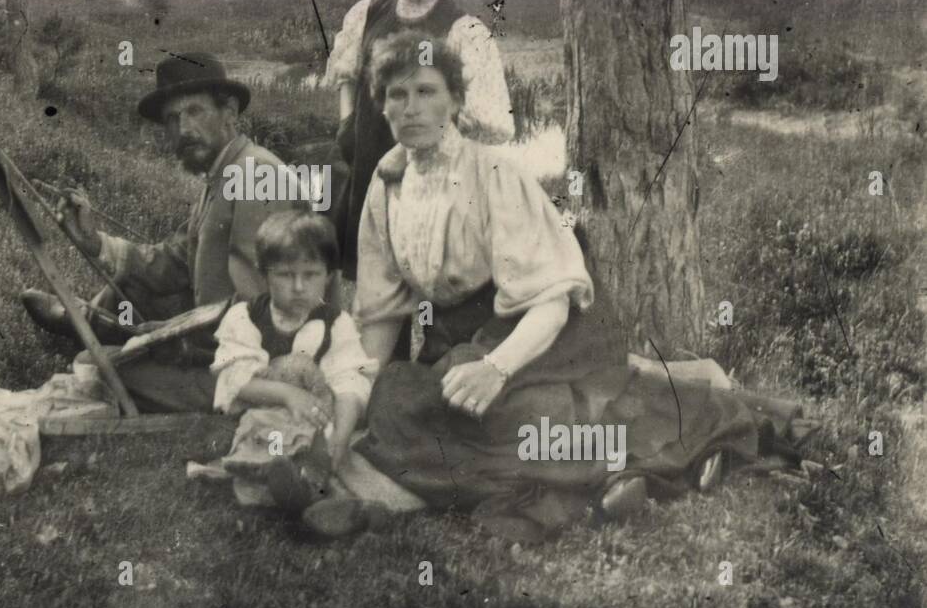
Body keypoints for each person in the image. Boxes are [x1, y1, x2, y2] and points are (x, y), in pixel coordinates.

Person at [331, 30, 805, 543]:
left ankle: (688, 436)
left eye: (427, 91)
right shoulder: (386, 185)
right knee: (399, 398)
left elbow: (551, 300)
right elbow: (379, 317)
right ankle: (627, 442)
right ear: (380, 107)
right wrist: (353, 397)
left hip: (549, 326)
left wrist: (495, 368)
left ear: (456, 100)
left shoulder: (491, 174)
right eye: (397, 95)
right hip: (465, 341)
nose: (412, 107)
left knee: (521, 415)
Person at [22, 52, 297, 412]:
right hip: (227, 342)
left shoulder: (256, 175)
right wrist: (94, 242)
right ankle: (90, 321)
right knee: (121, 327)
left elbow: (263, 306)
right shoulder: (222, 175)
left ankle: (93, 327)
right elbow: (177, 259)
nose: (183, 130)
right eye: (172, 118)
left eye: (195, 112)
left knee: (102, 369)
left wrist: (181, 340)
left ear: (229, 113)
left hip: (264, 367)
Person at [325, 0, 515, 281]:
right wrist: (348, 123)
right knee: (376, 277)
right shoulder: (367, 14)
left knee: (431, 270)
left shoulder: (464, 30)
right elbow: (346, 73)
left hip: (433, 172)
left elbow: (489, 122)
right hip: (370, 159)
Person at [209, 211, 377, 512]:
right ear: (264, 275)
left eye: (311, 275)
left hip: (315, 425)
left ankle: (325, 499)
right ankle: (292, 491)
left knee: (339, 450)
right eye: (285, 275)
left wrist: (342, 433)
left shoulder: (336, 324)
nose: (299, 287)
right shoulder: (246, 318)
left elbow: (349, 379)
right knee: (261, 447)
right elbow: (236, 379)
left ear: (328, 275)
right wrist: (288, 394)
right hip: (264, 418)